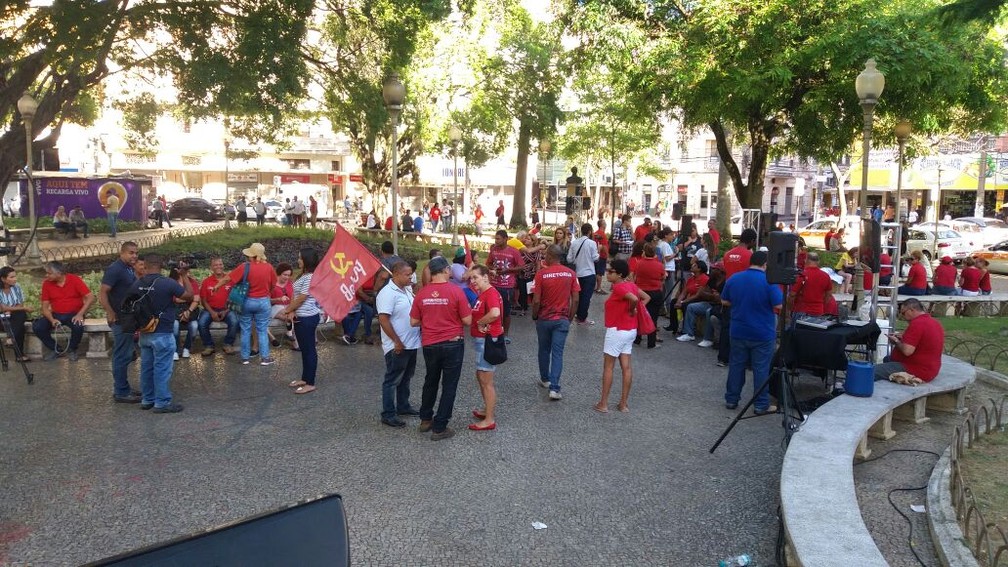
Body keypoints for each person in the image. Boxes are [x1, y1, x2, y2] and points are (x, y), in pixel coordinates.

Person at [410, 256, 473, 440]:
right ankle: (440, 427)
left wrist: (431, 318)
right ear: (446, 270)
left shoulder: (422, 293)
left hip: (429, 344)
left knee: (430, 380)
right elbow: (467, 321)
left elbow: (413, 321)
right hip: (453, 343)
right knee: (449, 385)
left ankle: (425, 419)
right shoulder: (456, 292)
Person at [721, 250, 782, 415]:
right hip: (762, 332)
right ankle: (761, 404)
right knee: (760, 369)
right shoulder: (769, 281)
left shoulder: (735, 278)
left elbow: (724, 300)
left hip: (738, 330)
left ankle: (731, 399)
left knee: (736, 365)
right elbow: (779, 305)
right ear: (765, 264)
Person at [130, 253, 193, 413]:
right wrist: (184, 275)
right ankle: (162, 402)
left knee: (146, 368)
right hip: (163, 332)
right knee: (162, 369)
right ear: (161, 265)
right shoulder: (167, 283)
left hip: (145, 332)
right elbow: (189, 296)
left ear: (145, 265)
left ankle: (147, 399)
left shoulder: (137, 284)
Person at [594, 259, 649, 413]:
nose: (607, 273)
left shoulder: (619, 288)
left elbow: (634, 299)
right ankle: (623, 404)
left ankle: (603, 403)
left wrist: (632, 309)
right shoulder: (630, 285)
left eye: (610, 271)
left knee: (609, 367)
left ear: (619, 274)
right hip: (630, 329)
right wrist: (635, 311)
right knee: (626, 367)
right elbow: (645, 297)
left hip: (617, 330)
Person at [210, 243, 277, 365]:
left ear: (252, 255)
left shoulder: (245, 267)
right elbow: (273, 285)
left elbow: (228, 278)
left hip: (247, 302)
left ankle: (245, 358)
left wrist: (217, 286)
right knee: (262, 330)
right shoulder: (269, 267)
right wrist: (266, 293)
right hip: (263, 302)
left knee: (245, 330)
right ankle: (265, 358)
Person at [377, 261, 421, 426]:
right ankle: (388, 413)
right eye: (407, 274)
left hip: (411, 343)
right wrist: (396, 341)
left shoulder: (407, 290)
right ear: (395, 274)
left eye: (411, 274)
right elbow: (383, 319)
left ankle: (403, 405)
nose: (411, 277)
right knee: (393, 379)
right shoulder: (387, 293)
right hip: (397, 345)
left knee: (406, 377)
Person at [532, 245, 579, 400]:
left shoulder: (541, 274)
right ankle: (554, 388)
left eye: (546, 255)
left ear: (551, 256)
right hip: (562, 319)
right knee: (558, 353)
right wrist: (570, 318)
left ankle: (545, 379)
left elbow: (536, 300)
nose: (544, 257)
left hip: (544, 318)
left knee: (543, 350)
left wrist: (535, 315)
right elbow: (576, 298)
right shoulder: (571, 274)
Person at [280, 248, 323, 394]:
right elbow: (295, 295)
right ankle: (305, 378)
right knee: (304, 349)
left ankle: (310, 383)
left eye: (300, 258)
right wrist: (291, 311)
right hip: (300, 317)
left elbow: (302, 298)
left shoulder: (310, 277)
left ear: (307, 260)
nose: (298, 260)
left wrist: (287, 310)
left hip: (307, 318)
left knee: (309, 349)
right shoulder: (303, 275)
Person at [34, 261, 95, 361]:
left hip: (74, 313)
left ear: (59, 273)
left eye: (49, 273)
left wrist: (80, 314)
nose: (46, 275)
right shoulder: (47, 283)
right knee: (38, 326)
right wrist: (52, 319)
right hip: (56, 314)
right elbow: (44, 307)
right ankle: (56, 349)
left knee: (78, 326)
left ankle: (72, 349)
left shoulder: (74, 279)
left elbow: (90, 297)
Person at [468, 264, 504, 430]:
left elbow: (495, 313)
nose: (472, 281)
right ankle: (486, 410)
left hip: (487, 341)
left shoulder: (490, 293)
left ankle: (489, 419)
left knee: (486, 380)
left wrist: (480, 322)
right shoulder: (484, 293)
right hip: (482, 340)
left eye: (475, 277)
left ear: (485, 277)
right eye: (471, 278)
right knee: (481, 376)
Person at [876, 298, 944, 382]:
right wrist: (903, 338)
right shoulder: (934, 322)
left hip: (915, 369)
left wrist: (896, 342)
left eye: (903, 313)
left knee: (871, 371)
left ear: (912, 310)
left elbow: (907, 351)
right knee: (887, 359)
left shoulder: (917, 323)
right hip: (930, 368)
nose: (903, 317)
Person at [717, 228, 757, 367]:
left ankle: (722, 358)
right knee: (745, 327)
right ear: (752, 241)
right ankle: (743, 360)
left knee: (726, 326)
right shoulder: (750, 256)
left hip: (729, 293)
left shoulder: (728, 254)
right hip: (745, 295)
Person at [487, 229, 524, 342]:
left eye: (498, 239)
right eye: (495, 238)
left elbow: (521, 266)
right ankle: (492, 331)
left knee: (506, 311)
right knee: (492, 309)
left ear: (505, 239)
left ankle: (505, 334)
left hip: (507, 286)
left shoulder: (514, 251)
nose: (496, 241)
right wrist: (491, 268)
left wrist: (508, 270)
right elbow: (488, 263)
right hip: (493, 284)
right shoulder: (493, 250)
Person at [198, 257, 239, 356]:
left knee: (234, 321)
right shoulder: (206, 281)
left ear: (223, 265)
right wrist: (212, 313)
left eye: (220, 264)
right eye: (215, 265)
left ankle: (228, 344)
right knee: (201, 323)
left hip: (227, 309)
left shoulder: (230, 280)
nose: (218, 266)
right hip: (210, 309)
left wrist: (226, 311)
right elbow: (203, 300)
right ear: (211, 267)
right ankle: (209, 346)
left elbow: (235, 298)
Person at [632, 242, 665, 349]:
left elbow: (634, 276)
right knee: (653, 317)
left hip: (641, 291)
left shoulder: (639, 263)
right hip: (655, 292)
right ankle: (651, 342)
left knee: (639, 315)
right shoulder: (659, 265)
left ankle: (637, 338)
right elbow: (663, 277)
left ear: (644, 252)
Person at [568, 223, 600, 325]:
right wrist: (598, 251)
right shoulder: (592, 243)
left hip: (578, 273)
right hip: (589, 273)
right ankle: (582, 318)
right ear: (590, 231)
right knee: (586, 297)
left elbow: (569, 259)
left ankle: (578, 315)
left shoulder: (574, 243)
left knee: (579, 296)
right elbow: (595, 258)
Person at [0, 267, 33, 363]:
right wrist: (14, 309)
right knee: (19, 325)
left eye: (15, 276)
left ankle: (10, 338)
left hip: (13, 317)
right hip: (1, 319)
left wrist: (12, 310)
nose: (15, 279)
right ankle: (19, 355)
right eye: (12, 277)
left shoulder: (17, 287)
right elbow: (2, 308)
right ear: (3, 279)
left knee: (20, 315)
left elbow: (20, 303)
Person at [674, 258, 712, 342]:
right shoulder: (691, 278)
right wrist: (678, 301)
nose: (692, 266)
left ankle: (687, 331)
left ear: (699, 268)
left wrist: (682, 302)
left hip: (700, 300)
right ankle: (674, 326)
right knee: (673, 302)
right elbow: (684, 292)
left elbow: (698, 295)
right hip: (691, 298)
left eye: (694, 265)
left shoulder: (704, 278)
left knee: (687, 305)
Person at [169, 260, 200, 360]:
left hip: (190, 310)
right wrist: (189, 298)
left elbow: (196, 300)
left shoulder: (192, 282)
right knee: (175, 325)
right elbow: (174, 299)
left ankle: (187, 347)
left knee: (194, 326)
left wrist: (188, 311)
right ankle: (175, 350)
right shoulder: (171, 282)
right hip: (175, 311)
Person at [790, 252, 833, 316]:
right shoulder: (826, 276)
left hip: (801, 310)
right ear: (818, 262)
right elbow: (829, 295)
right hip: (818, 310)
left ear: (806, 260)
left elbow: (792, 294)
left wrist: (789, 308)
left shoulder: (802, 275)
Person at [592, 220, 609, 293]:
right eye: (605, 223)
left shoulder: (596, 233)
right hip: (601, 255)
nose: (606, 224)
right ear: (603, 225)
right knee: (600, 272)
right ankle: (598, 288)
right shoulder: (602, 234)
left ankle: (595, 287)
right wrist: (607, 255)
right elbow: (604, 246)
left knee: (596, 271)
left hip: (596, 255)